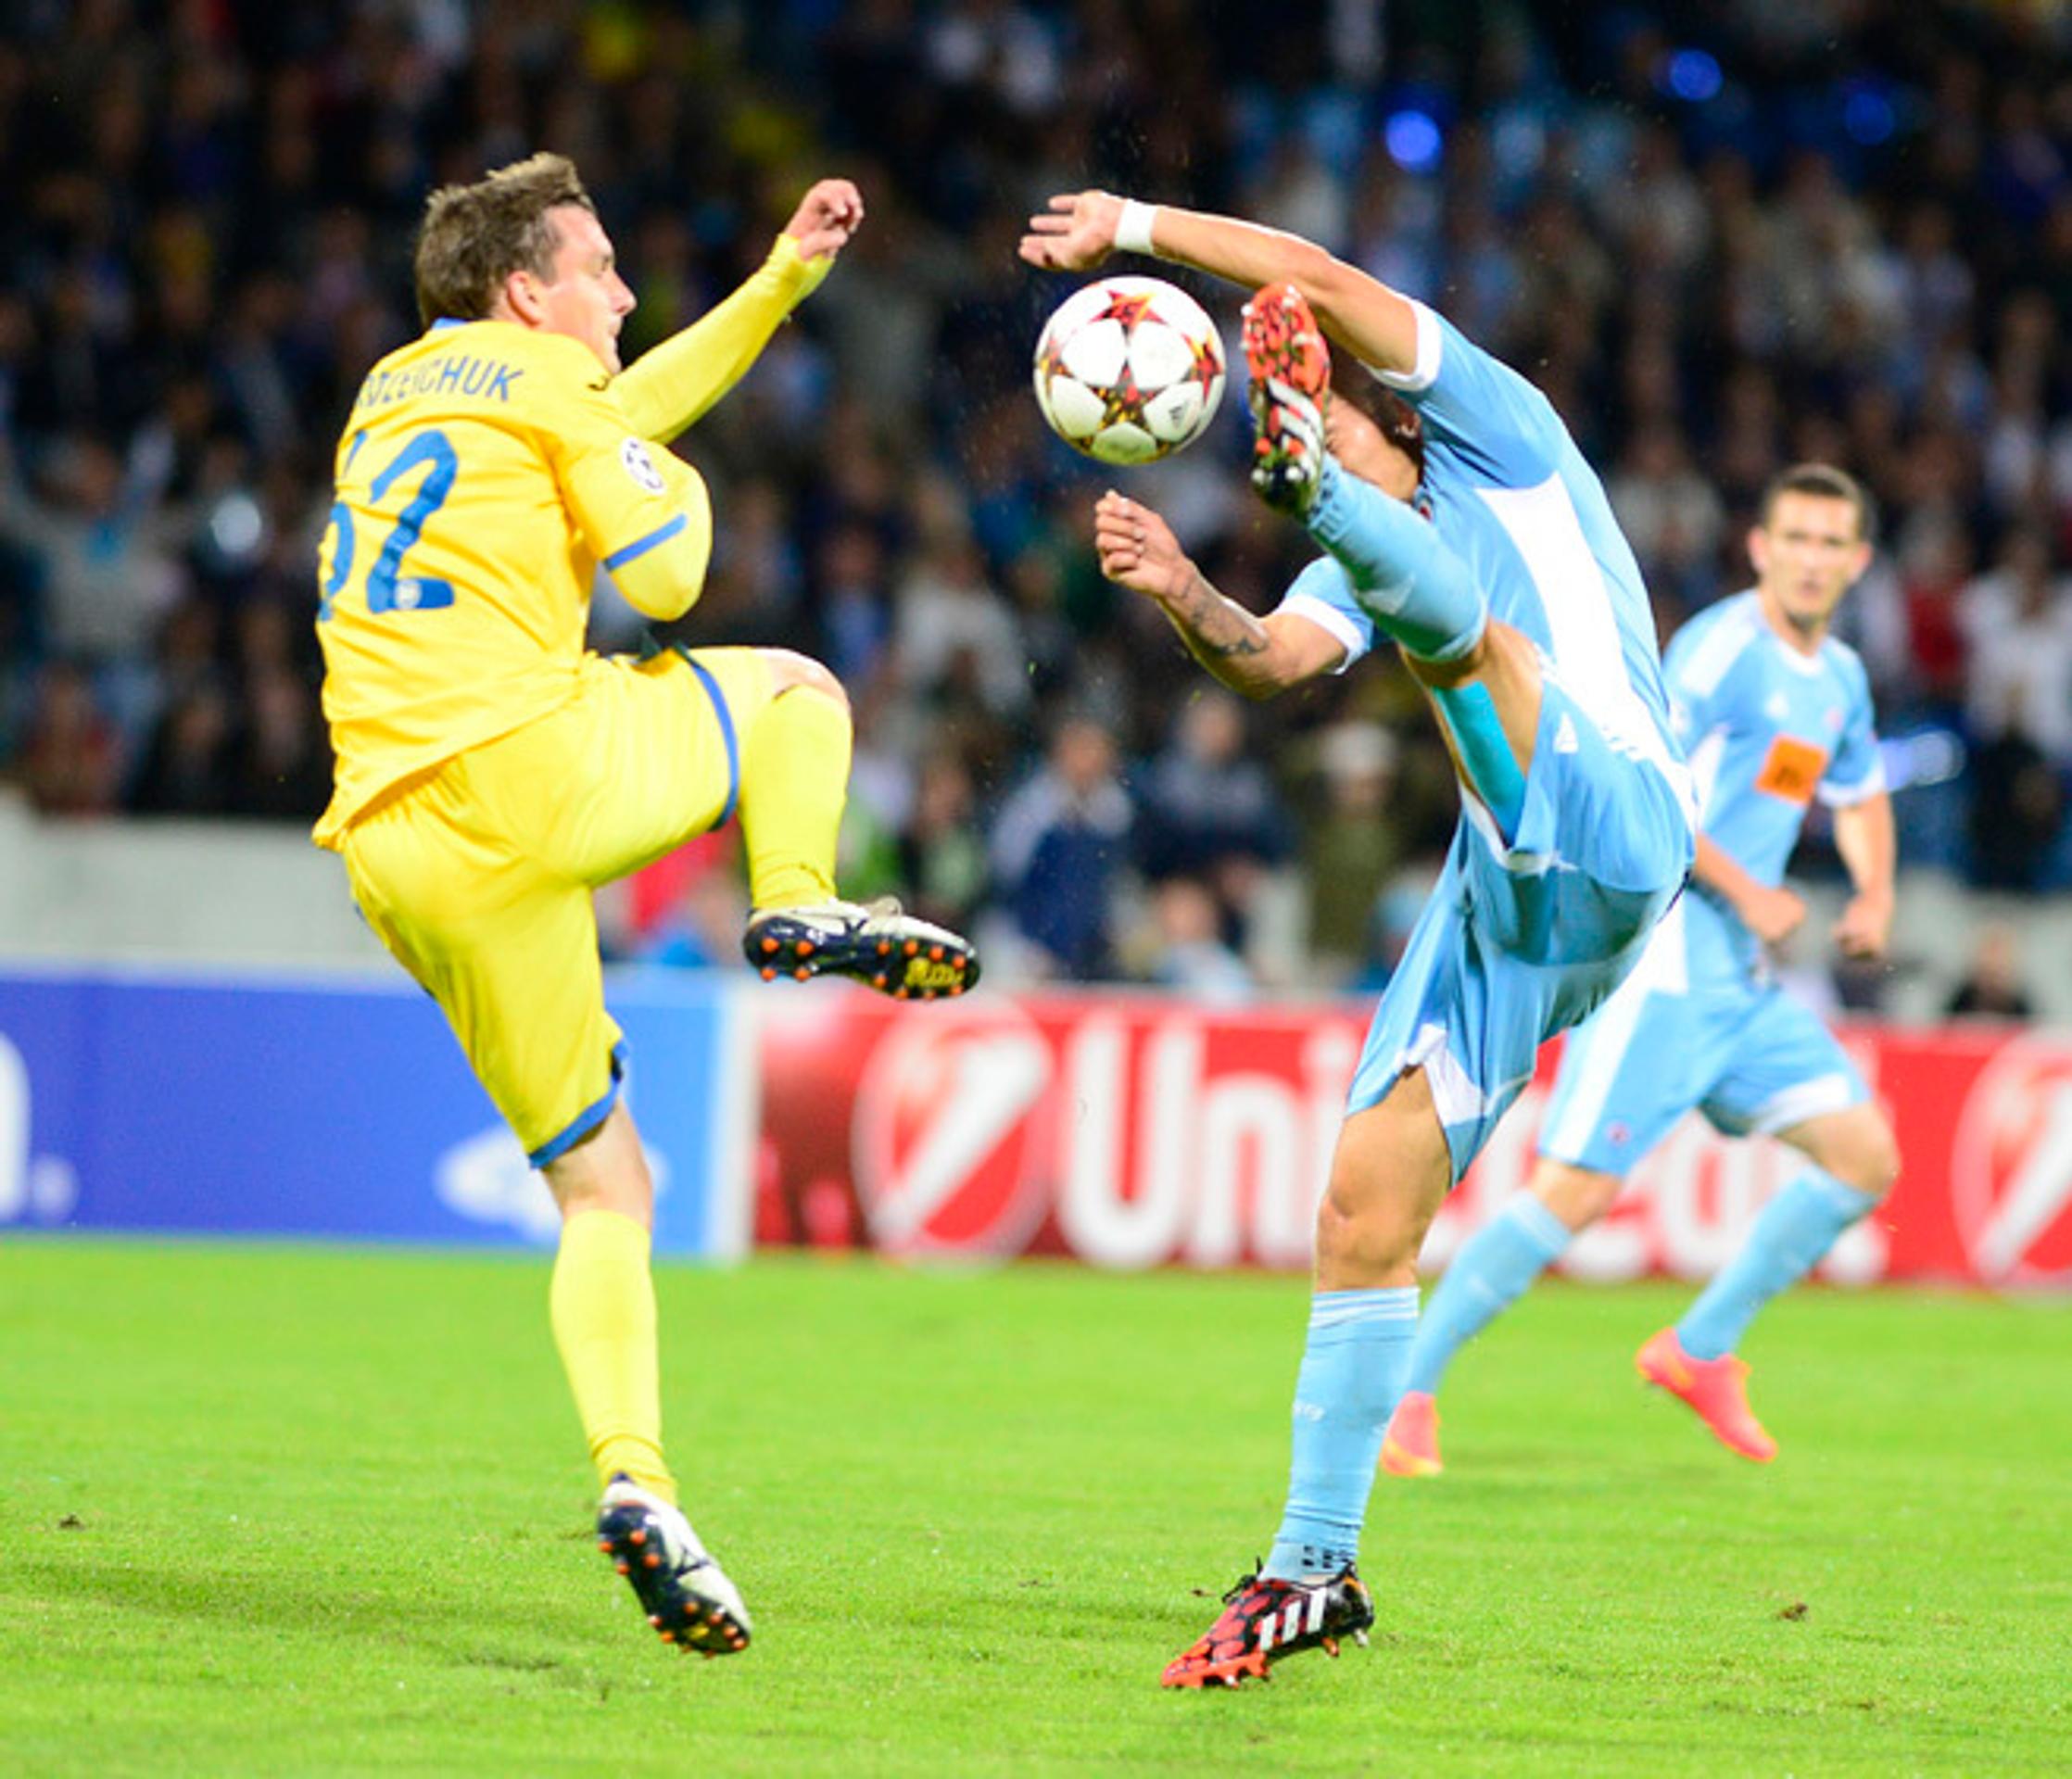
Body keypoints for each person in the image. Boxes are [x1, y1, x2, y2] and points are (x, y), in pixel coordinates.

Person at [1020, 192, 1695, 1687]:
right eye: (1294, 436)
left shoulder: (1504, 439)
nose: (1302, 422)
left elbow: (1311, 272)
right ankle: (1311, 1571)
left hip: (1619, 812)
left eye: (1317, 415)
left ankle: (1311, 1568)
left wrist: (1130, 223)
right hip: (1516, 897)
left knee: (1479, 643)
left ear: (1378, 413)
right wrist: (1184, 587)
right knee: (1361, 1208)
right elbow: (1269, 660)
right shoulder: (1357, 561)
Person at [313, 155, 976, 1659]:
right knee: (796, 691)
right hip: (520, 771)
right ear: (525, 291)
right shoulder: (551, 384)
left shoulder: (394, 390)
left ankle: (639, 1486)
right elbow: (668, 573)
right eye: (601, 269)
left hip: (393, 847)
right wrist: (688, 490)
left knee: (606, 1188)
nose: (623, 294)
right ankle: (797, 897)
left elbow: (620, 405)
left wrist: (781, 281)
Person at [1382, 465, 1901, 1478]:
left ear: (1858, 562)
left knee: (1864, 1157)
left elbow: (1860, 791)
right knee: (1572, 1195)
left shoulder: (1837, 677)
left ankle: (1699, 1348)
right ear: (1760, 548)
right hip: (1664, 961)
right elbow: (1648, 785)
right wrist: (1750, 892)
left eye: (1830, 543)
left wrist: (1874, 894)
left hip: (1738, 982)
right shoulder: (1717, 654)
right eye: (1794, 538)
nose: (1810, 559)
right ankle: (1405, 1388)